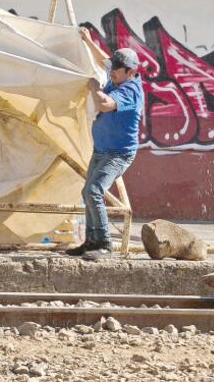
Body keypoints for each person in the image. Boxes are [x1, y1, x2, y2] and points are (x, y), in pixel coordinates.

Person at [68, 27, 144, 261]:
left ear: (130, 72)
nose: (111, 73)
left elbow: (105, 105)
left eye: (116, 71)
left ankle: (104, 244)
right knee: (87, 191)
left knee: (93, 191)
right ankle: (91, 241)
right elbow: (105, 60)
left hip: (118, 154)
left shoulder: (130, 90)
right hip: (102, 150)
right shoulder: (119, 73)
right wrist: (88, 40)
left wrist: (95, 87)